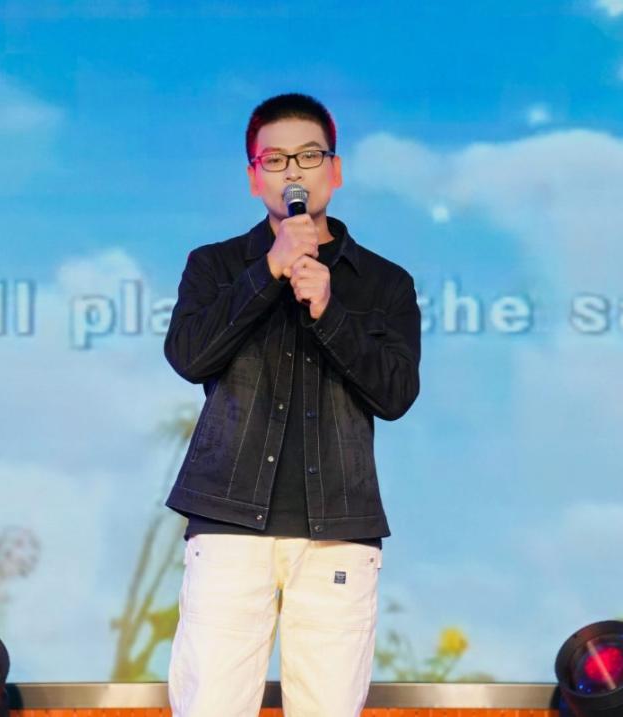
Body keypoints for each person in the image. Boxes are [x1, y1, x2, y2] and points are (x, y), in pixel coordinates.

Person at [163, 93, 421, 717]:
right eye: (275, 160)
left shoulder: (385, 282)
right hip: (227, 520)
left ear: (335, 170)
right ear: (254, 178)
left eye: (309, 156)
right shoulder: (215, 265)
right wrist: (267, 272)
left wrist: (330, 311)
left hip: (338, 528)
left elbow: (395, 394)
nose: (293, 172)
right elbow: (190, 357)